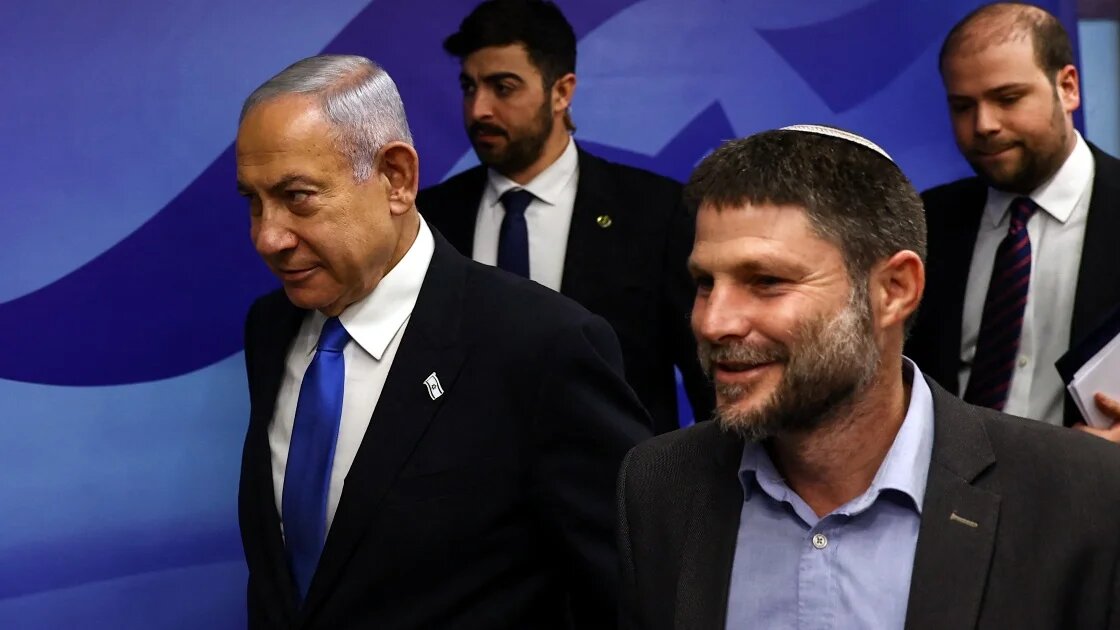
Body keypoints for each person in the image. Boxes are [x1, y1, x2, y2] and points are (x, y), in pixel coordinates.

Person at [616, 127, 1120, 629]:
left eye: (766, 281)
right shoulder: (660, 486)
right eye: (705, 283)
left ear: (894, 290)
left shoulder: (1082, 497)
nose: (712, 321)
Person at [235, 54, 650, 629]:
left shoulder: (541, 346)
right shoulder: (271, 328)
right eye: (253, 202)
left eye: (297, 196)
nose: (267, 236)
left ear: (396, 179)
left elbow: (628, 590)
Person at [417, 0, 712, 434]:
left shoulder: (656, 212)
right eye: (468, 87)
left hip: (615, 487)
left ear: (561, 91)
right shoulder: (431, 217)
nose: (479, 109)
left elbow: (707, 371)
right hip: (463, 489)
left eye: (503, 87)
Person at [905, 2, 1120, 440]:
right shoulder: (926, 222)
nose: (983, 125)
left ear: (1068, 87)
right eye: (963, 106)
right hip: (947, 494)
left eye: (1007, 98)